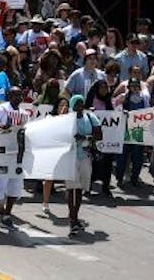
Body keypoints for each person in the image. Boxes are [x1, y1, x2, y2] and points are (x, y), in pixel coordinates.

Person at [0, 86, 29, 227]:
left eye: (20, 95)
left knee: (15, 185)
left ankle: (7, 214)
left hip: (17, 155)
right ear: (9, 96)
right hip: (2, 154)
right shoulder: (1, 109)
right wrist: (1, 128)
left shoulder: (24, 114)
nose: (18, 98)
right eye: (15, 95)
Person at [66, 93, 102, 235]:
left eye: (81, 103)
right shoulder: (67, 118)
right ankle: (73, 220)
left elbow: (99, 135)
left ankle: (75, 216)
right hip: (71, 157)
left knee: (80, 188)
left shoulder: (90, 117)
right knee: (71, 189)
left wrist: (86, 138)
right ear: (72, 105)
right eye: (76, 104)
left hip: (85, 156)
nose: (79, 106)